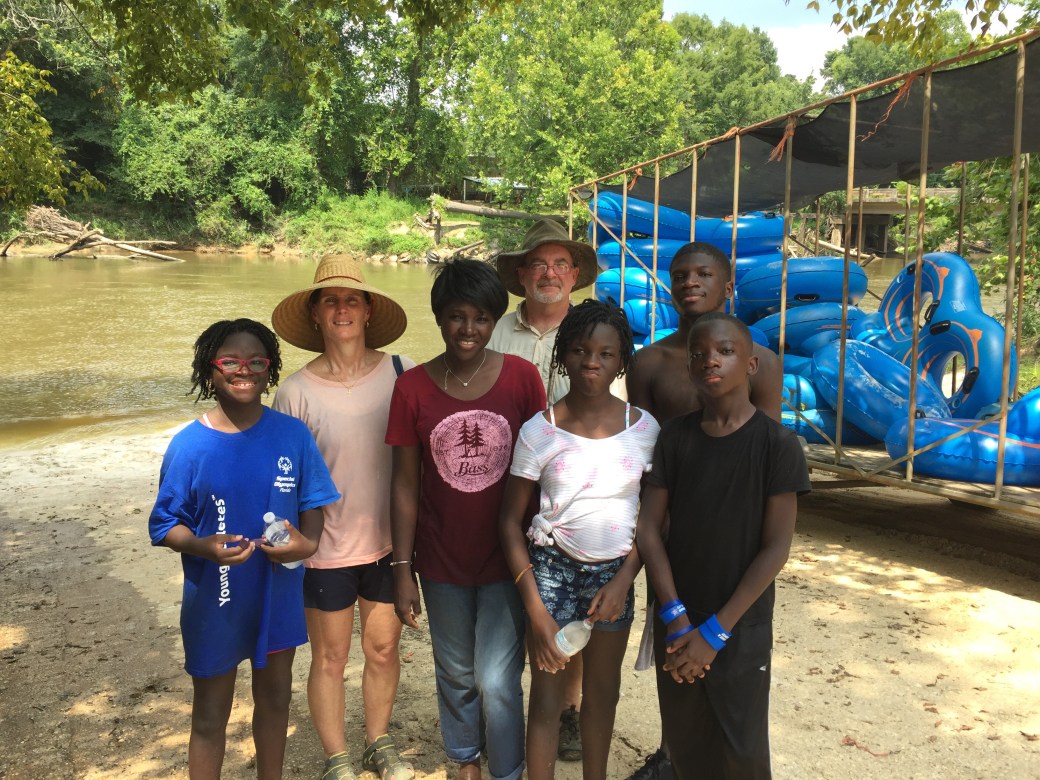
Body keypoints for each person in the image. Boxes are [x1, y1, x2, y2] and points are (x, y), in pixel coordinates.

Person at [148, 319, 341, 780]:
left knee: (275, 700)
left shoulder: (292, 435)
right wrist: (201, 546)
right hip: (214, 600)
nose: (244, 371)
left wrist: (307, 543)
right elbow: (164, 524)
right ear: (209, 369)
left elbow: (314, 500)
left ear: (270, 369)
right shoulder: (189, 445)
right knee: (209, 714)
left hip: (277, 595)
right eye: (230, 362)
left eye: (257, 362)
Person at [624, 242, 782, 780]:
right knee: (674, 645)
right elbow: (642, 452)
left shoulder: (763, 365)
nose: (690, 282)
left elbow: (763, 459)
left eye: (704, 274)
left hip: (736, 540)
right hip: (670, 534)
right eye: (680, 275)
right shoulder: (650, 362)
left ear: (728, 285)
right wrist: (648, 547)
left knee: (734, 660)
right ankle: (672, 754)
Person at [386, 259, 546, 780]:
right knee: (455, 672)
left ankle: (507, 770)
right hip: (440, 558)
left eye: (481, 318)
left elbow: (542, 467)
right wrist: (402, 568)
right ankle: (464, 761)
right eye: (457, 316)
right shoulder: (412, 388)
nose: (468, 329)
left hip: (508, 557)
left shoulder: (522, 378)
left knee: (496, 678)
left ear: (495, 320)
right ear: (439, 318)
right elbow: (405, 483)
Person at [635, 313, 810, 779]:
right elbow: (648, 528)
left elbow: (776, 549)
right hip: (677, 619)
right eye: (699, 354)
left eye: (725, 351)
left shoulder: (777, 445)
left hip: (740, 624)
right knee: (687, 744)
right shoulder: (675, 437)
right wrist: (675, 616)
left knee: (741, 750)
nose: (710, 360)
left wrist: (714, 633)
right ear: (690, 367)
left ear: (751, 364)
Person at [499, 300, 660, 780]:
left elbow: (653, 518)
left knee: (603, 694)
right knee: (547, 697)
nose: (592, 361)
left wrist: (624, 580)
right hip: (551, 573)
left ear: (621, 360)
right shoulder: (539, 431)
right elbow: (508, 523)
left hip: (616, 575)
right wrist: (536, 611)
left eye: (606, 353)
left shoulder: (644, 429)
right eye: (580, 350)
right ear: (562, 355)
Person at [270, 258, 414, 780]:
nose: (342, 309)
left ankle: (378, 742)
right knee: (330, 658)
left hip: (388, 544)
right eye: (329, 300)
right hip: (324, 548)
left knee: (383, 649)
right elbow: (282, 480)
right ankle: (337, 758)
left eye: (352, 299)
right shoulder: (295, 392)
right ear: (314, 314)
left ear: (369, 309)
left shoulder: (401, 372)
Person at [490, 218, 600, 760]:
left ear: (575, 274)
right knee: (509, 601)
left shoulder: (594, 334)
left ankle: (568, 710)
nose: (549, 274)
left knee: (571, 606)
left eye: (560, 264)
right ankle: (503, 704)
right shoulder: (495, 331)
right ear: (521, 274)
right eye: (538, 264)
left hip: (571, 494)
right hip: (502, 487)